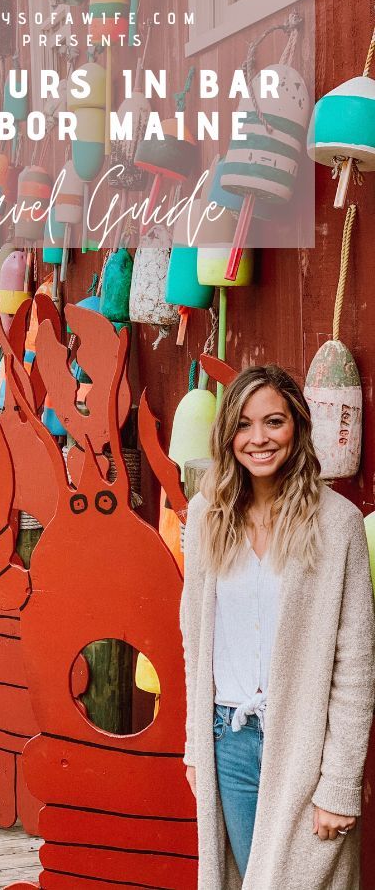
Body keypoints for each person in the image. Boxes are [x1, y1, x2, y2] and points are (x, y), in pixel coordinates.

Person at [180, 365, 375, 889]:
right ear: (227, 435)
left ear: (298, 427)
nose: (259, 438)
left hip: (303, 745)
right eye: (244, 425)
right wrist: (196, 745)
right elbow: (195, 641)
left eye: (274, 421)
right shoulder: (206, 515)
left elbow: (355, 666)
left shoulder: (337, 524)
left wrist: (338, 783)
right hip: (231, 740)